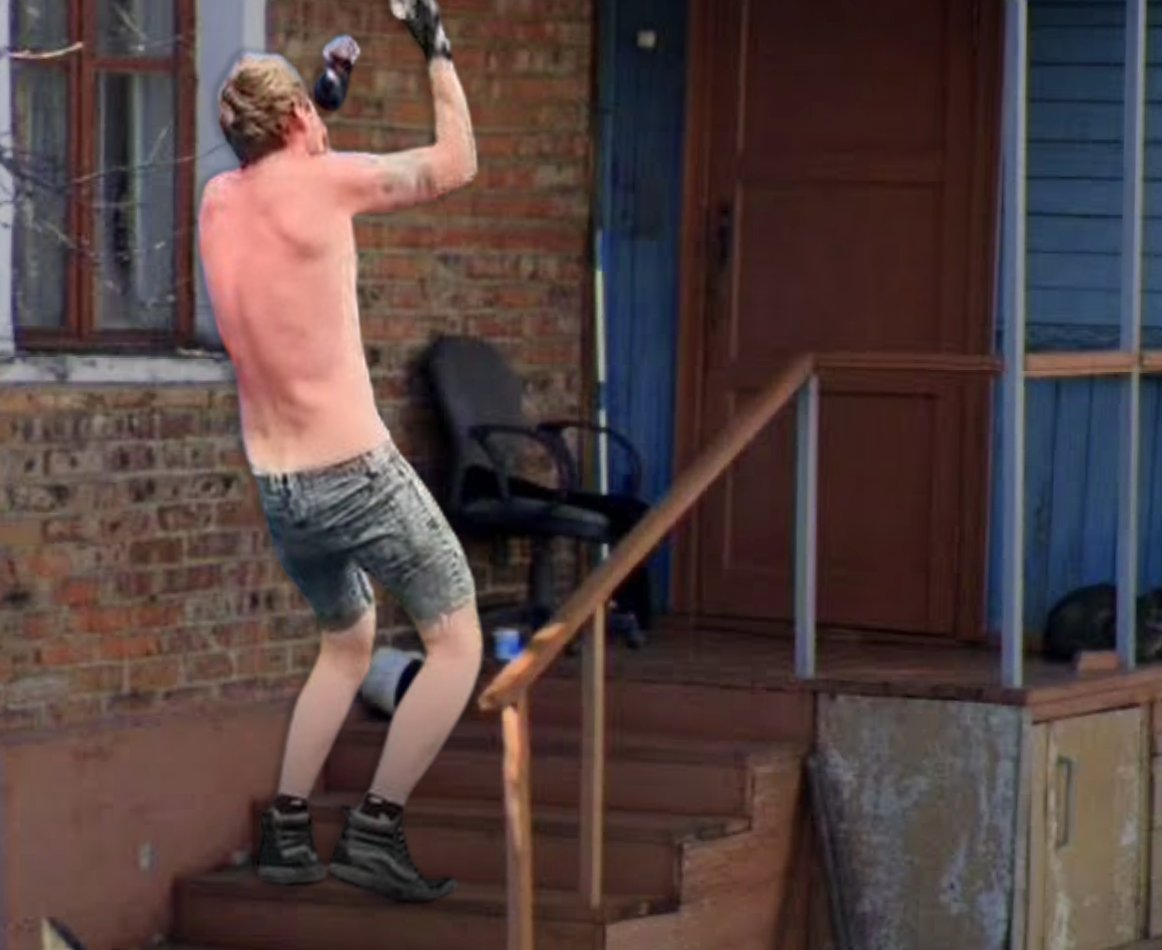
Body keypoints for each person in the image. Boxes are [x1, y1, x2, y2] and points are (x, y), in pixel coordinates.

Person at [196, 0, 480, 904]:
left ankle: (287, 832)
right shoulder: (325, 185)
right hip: (355, 472)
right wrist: (434, 45)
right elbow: (456, 163)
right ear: (294, 123)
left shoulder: (218, 201)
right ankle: (376, 830)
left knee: (346, 642)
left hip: (281, 485)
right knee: (457, 641)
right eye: (310, 114)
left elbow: (278, 169)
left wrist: (318, 97)